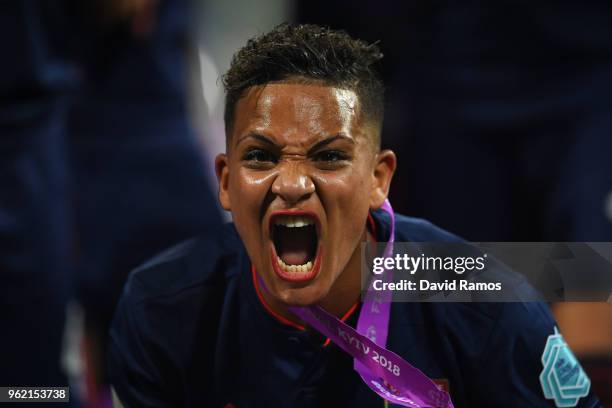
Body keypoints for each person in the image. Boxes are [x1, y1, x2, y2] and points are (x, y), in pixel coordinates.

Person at [108, 24, 600, 407]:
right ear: (225, 181)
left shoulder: (488, 304)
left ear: (378, 179)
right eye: (260, 156)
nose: (293, 184)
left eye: (328, 157)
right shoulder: (161, 308)